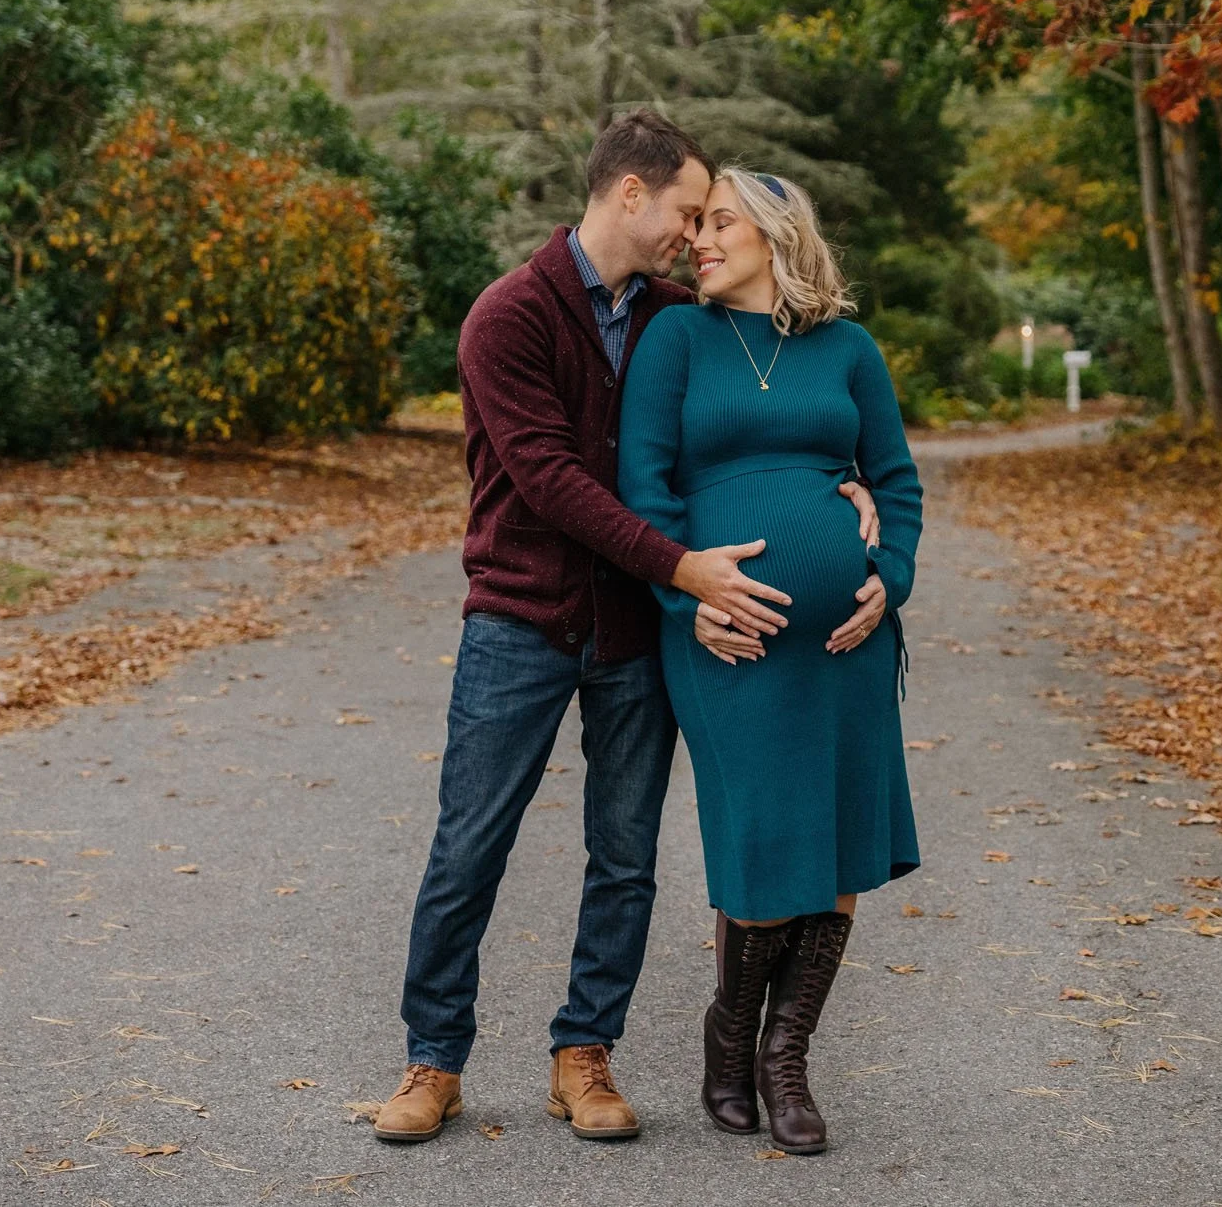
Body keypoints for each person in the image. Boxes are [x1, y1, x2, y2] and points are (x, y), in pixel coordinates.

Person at [376, 113, 879, 1146]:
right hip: (519, 616)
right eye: (688, 211)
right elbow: (551, 479)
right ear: (630, 195)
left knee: (625, 852)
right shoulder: (507, 316)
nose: (696, 236)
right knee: (471, 842)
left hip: (628, 634)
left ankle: (583, 1052)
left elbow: (746, 421)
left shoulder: (670, 316)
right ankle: (434, 1058)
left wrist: (846, 485)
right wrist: (682, 569)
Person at [617, 166, 925, 1156]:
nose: (699, 239)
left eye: (719, 224)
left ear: (776, 235)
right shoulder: (676, 336)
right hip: (724, 637)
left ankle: (784, 1058)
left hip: (849, 647)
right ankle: (727, 1033)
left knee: (834, 844)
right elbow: (643, 483)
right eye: (696, 222)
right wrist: (684, 592)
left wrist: (890, 574)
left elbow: (896, 479)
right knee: (755, 840)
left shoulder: (848, 348)